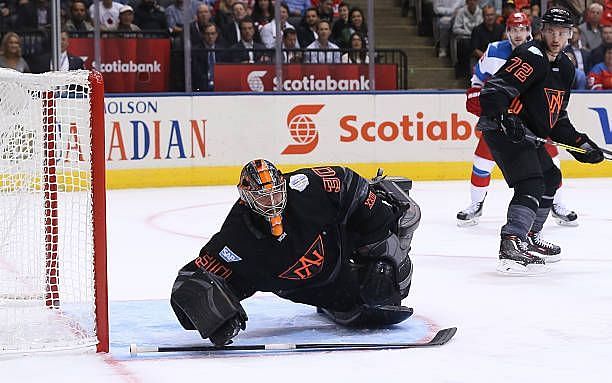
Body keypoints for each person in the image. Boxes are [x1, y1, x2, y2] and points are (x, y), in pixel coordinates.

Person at [170, 160, 419, 346]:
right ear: (246, 198)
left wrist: (378, 231)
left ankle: (388, 199)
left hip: (338, 243)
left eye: (276, 192)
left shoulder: (304, 188)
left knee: (388, 263)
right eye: (263, 197)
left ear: (283, 184)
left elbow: (347, 181)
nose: (272, 201)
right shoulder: (235, 240)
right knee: (374, 300)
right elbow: (190, 281)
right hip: (309, 288)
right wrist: (211, 315)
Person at [477, 7, 605, 275]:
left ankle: (529, 236)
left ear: (570, 35)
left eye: (562, 32)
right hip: (502, 128)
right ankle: (511, 242)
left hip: (526, 133)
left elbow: (557, 119)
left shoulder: (567, 67)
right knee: (531, 181)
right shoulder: (531, 56)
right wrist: (505, 117)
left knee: (550, 178)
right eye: (551, 32)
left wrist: (582, 145)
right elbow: (492, 92)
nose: (556, 38)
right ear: (541, 31)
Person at [458, 12, 579, 228]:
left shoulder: (545, 54)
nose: (518, 34)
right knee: (482, 161)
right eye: (514, 29)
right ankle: (476, 204)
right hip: (503, 122)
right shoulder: (494, 51)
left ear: (530, 31)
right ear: (507, 31)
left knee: (552, 165)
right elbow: (478, 81)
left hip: (533, 122)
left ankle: (555, 204)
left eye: (522, 29)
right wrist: (489, 105)